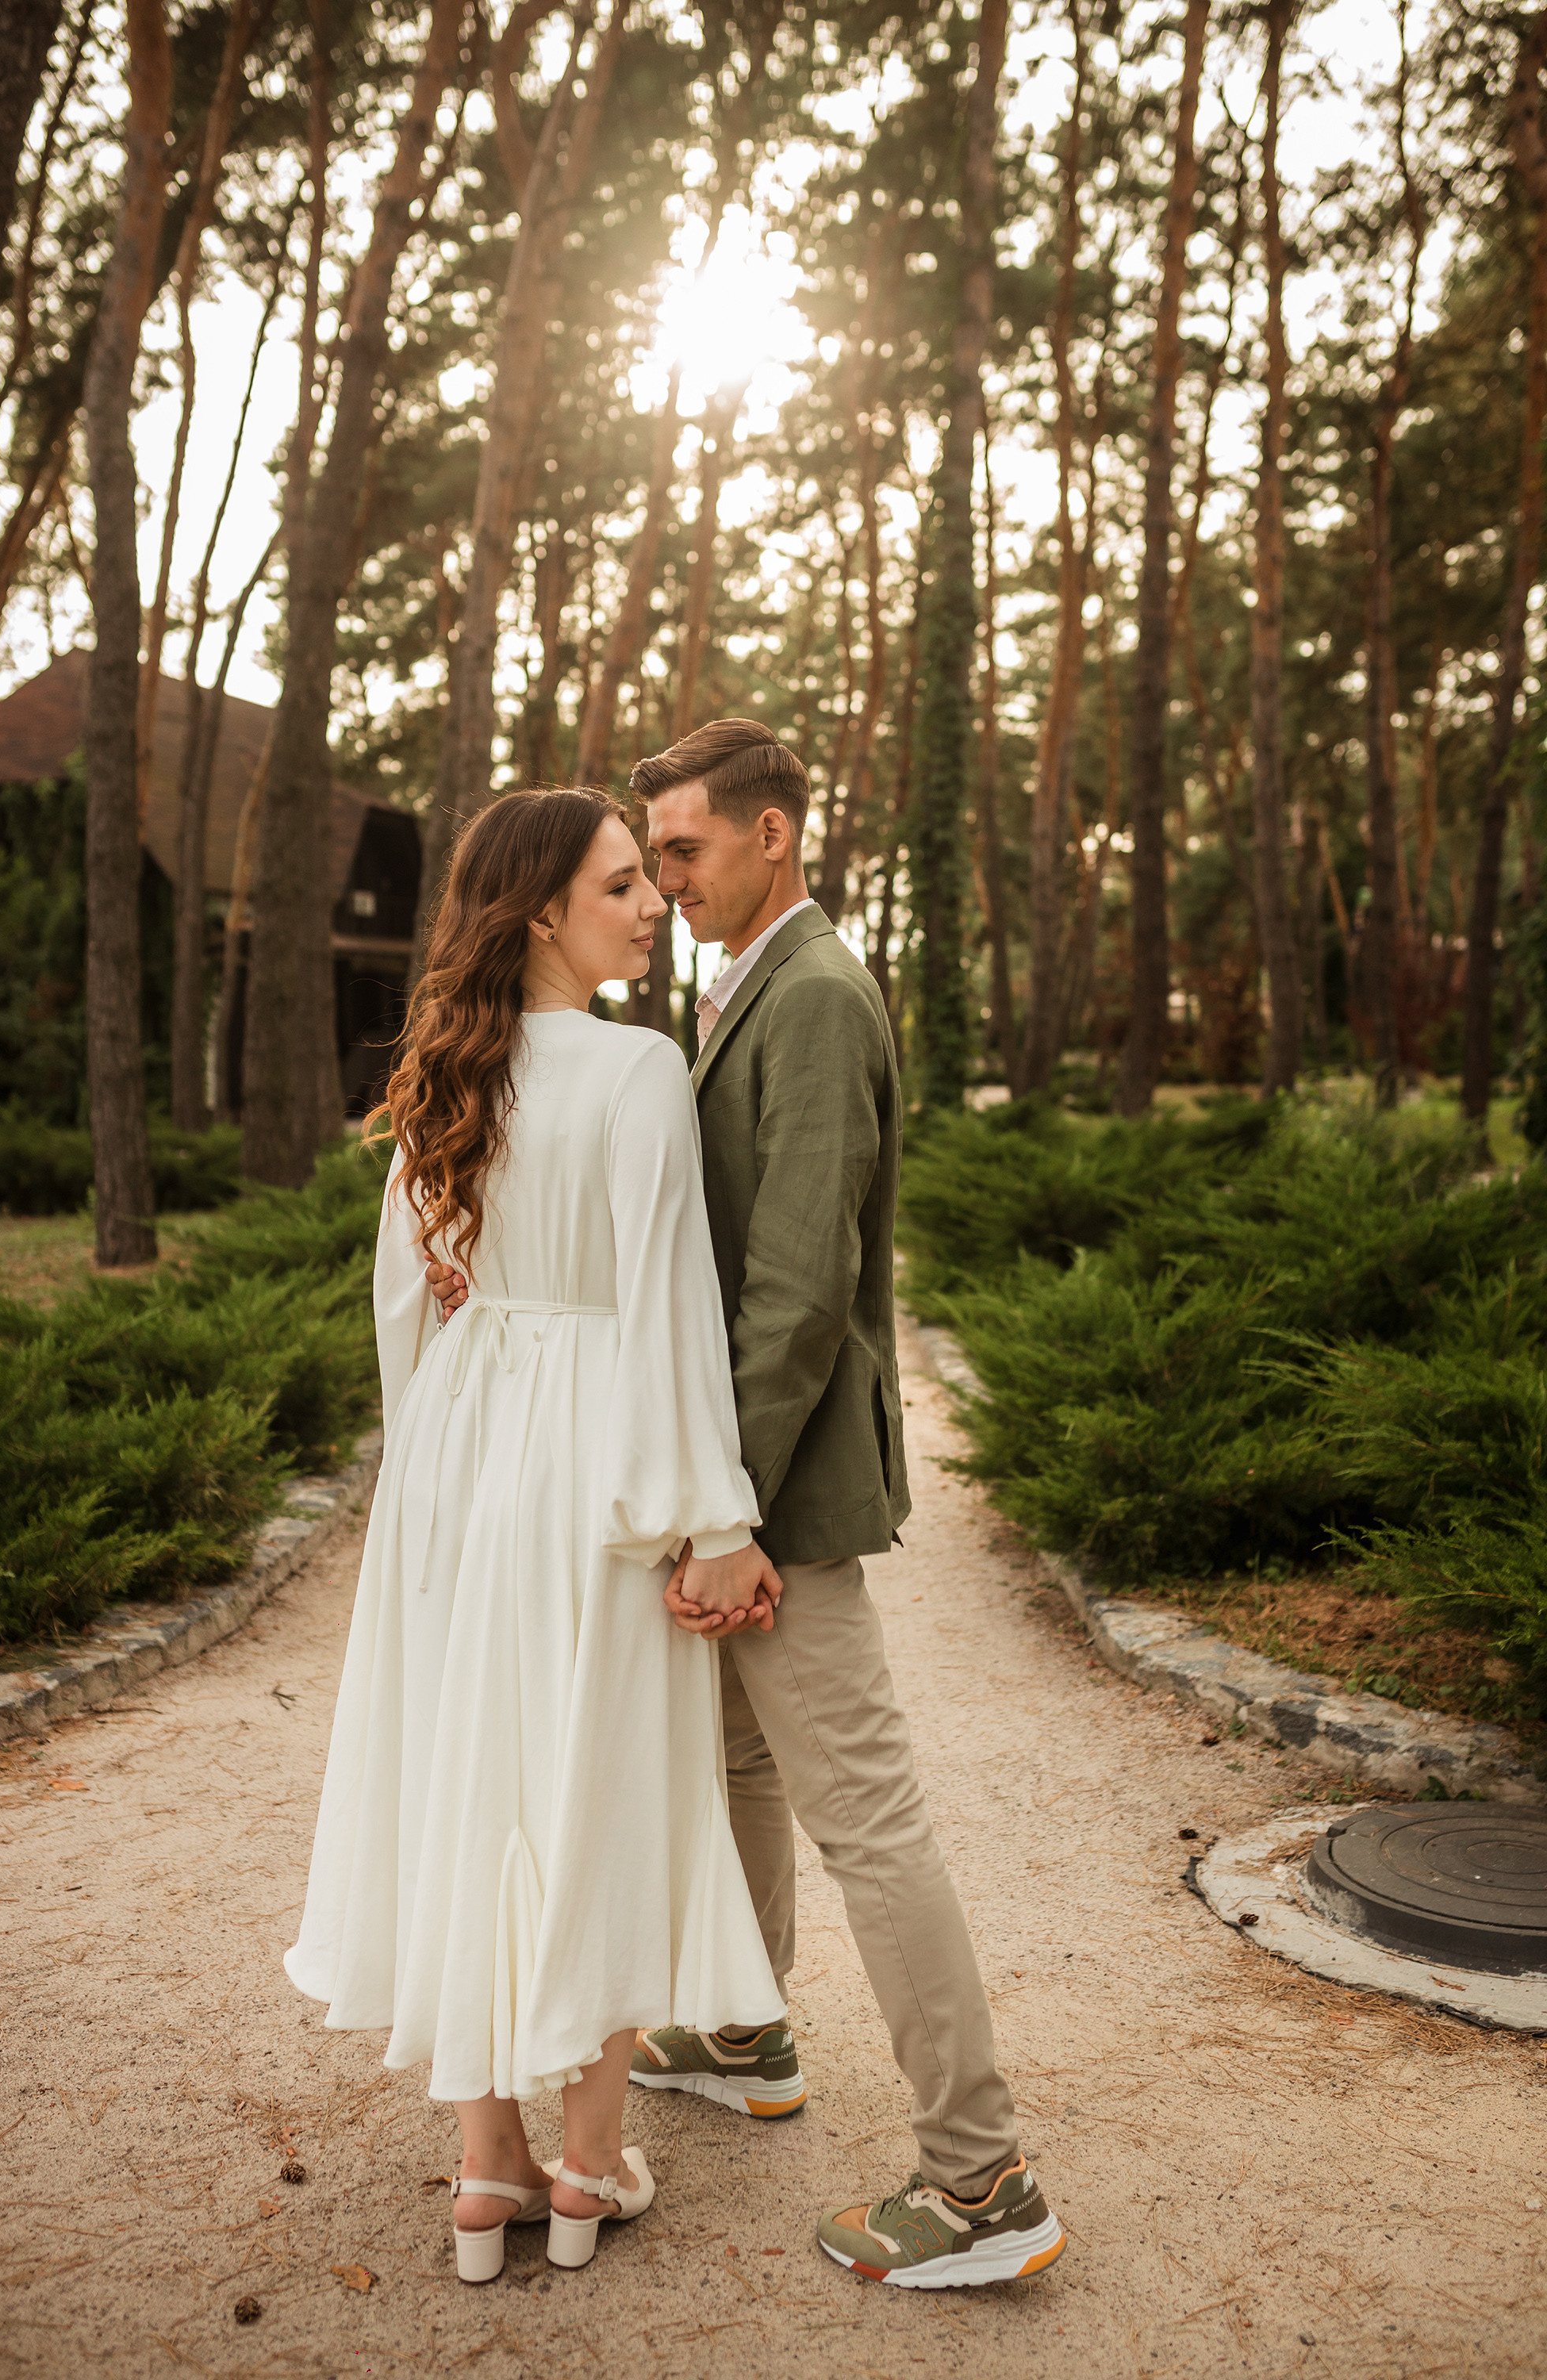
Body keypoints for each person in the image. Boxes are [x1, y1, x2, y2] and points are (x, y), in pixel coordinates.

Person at [430, 722, 1065, 2292]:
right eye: (647, 862)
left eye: (687, 853)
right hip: (716, 1487)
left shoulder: (821, 996)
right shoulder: (744, 992)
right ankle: (744, 2028)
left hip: (776, 1497)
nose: (667, 885)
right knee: (730, 1766)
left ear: (776, 835)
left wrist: (730, 1522)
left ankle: (982, 2187)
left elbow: (790, 1298)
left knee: (870, 1817)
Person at [284, 787, 787, 2286]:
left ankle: (483, 2171)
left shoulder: (450, 1074)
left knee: (464, 1776)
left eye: (654, 878)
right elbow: (670, 1313)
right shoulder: (640, 1073)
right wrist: (713, 1517)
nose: (654, 904)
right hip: (590, 1462)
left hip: (457, 1450)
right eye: (625, 884)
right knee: (599, 1785)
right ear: (543, 914)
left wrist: (438, 1456)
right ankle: (583, 2163)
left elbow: (403, 1304)